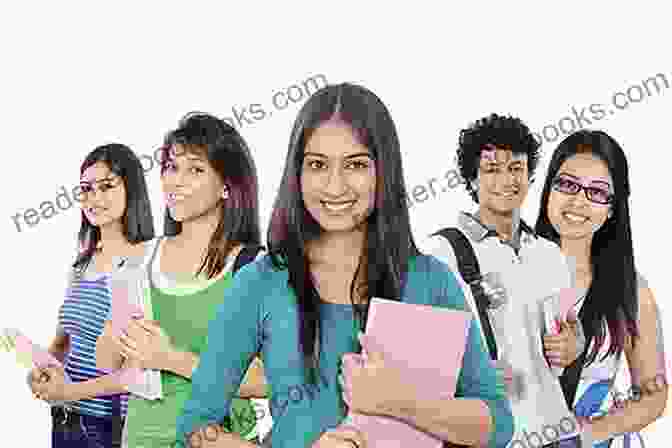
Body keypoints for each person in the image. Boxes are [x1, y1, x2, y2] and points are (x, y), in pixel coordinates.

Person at [174, 83, 514, 448]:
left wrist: (399, 403)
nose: (335, 186)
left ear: (384, 171)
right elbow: (195, 427)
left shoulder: (430, 280)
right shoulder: (261, 282)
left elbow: (497, 424)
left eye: (355, 165)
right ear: (297, 172)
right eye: (318, 164)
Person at [95, 113, 269, 447]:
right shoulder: (138, 258)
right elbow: (106, 362)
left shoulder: (255, 267)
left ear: (227, 186)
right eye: (171, 168)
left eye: (195, 169)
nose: (175, 181)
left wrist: (170, 358)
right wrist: (122, 331)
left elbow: (269, 380)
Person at [421, 113, 585, 447]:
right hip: (495, 438)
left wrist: (574, 346)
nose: (506, 180)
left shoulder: (549, 254)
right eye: (491, 169)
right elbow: (418, 359)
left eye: (516, 168)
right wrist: (465, 379)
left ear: (529, 174)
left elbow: (568, 336)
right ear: (471, 180)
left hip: (561, 432)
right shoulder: (440, 253)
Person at [534, 129, 667, 446]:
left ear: (612, 208)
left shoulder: (630, 288)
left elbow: (653, 395)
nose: (579, 200)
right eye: (567, 184)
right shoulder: (507, 266)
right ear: (548, 190)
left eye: (598, 192)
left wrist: (584, 436)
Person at [29, 143, 156, 447]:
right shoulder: (81, 264)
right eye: (86, 188)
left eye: (107, 186)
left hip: (110, 429)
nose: (94, 198)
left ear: (131, 189)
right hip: (65, 421)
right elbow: (64, 344)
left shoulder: (149, 261)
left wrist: (69, 392)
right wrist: (41, 371)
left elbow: (139, 373)